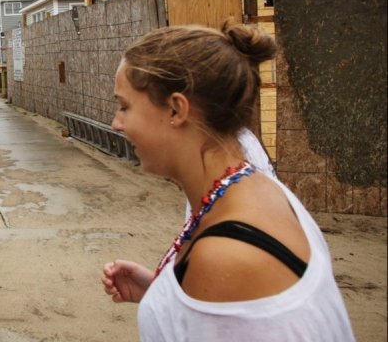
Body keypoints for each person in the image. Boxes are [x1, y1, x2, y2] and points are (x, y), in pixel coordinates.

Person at [100, 25, 354, 341]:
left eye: (125, 106)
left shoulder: (227, 255)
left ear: (177, 109)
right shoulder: (255, 188)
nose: (117, 123)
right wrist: (163, 291)